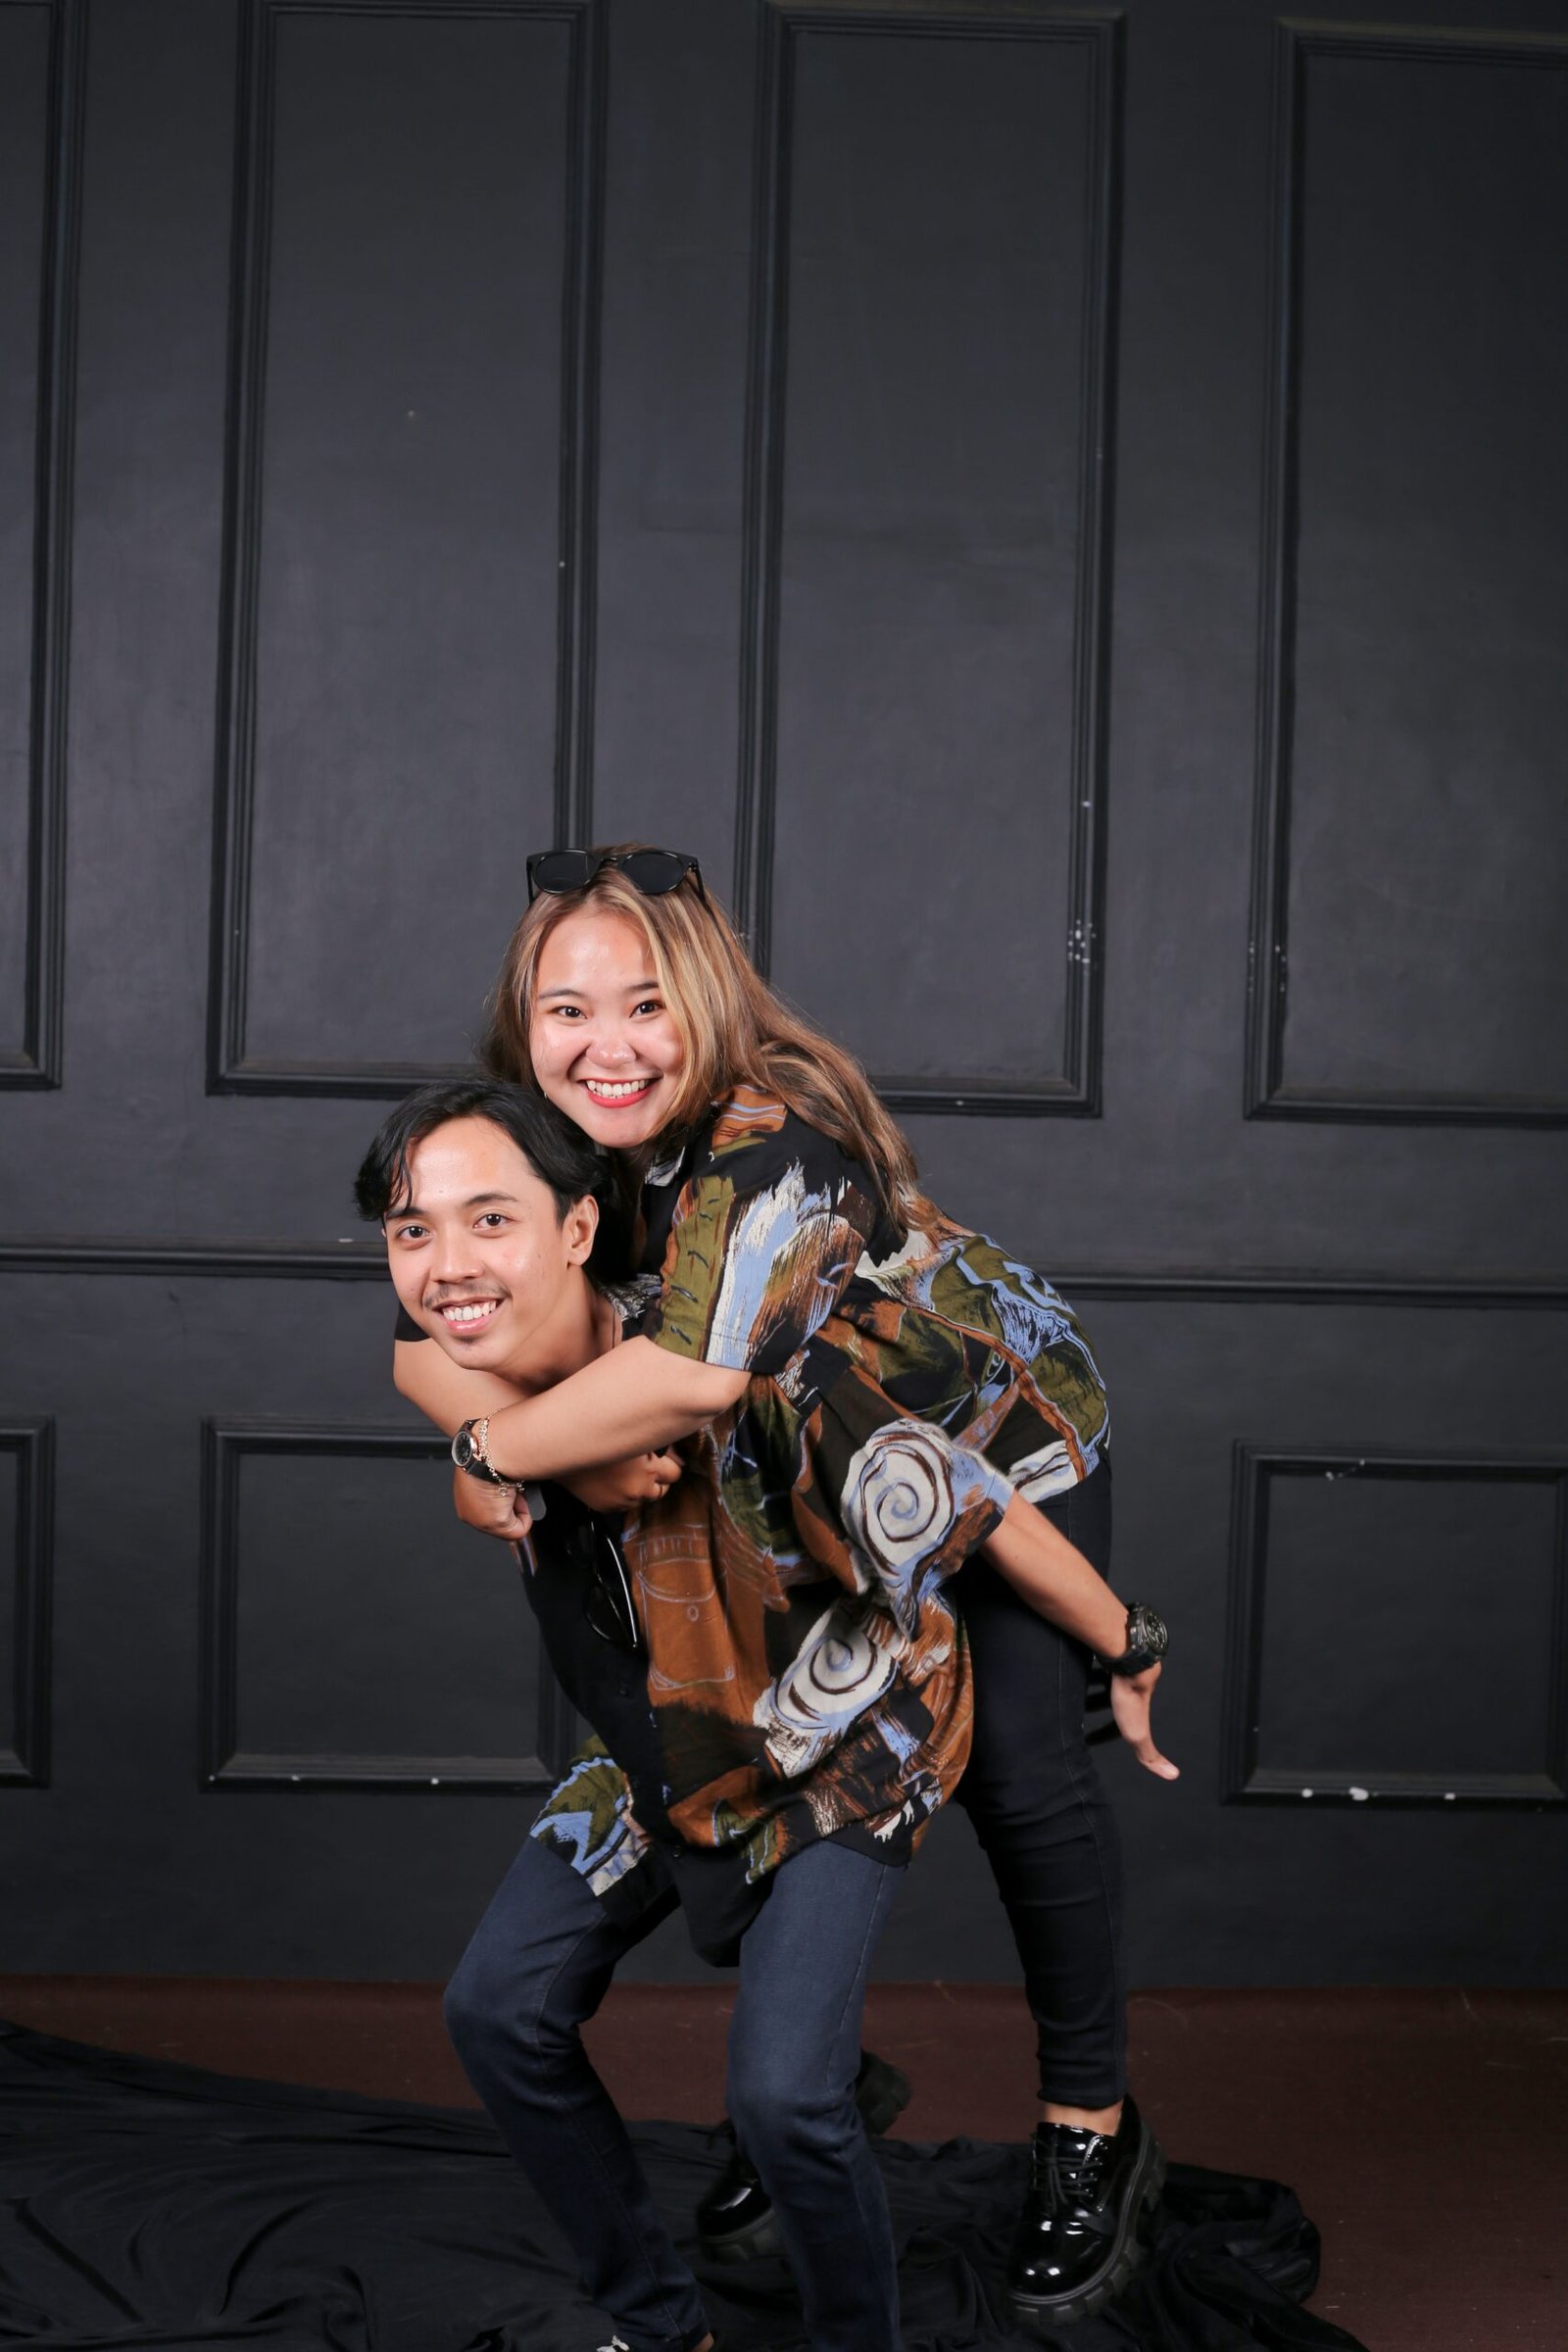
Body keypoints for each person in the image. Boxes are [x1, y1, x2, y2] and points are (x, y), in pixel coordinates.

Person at [396, 845, 1177, 2333]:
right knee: (747, 1712)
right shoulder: (533, 1139)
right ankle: (808, 2088)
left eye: (646, 1005)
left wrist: (502, 1451)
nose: (608, 1045)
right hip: (787, 1498)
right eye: (567, 1010)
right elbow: (420, 1336)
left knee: (1018, 1769)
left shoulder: (780, 1136)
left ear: (706, 1002)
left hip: (976, 1438)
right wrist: (508, 1453)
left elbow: (694, 1375)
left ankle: (1091, 2129)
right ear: (523, 1021)